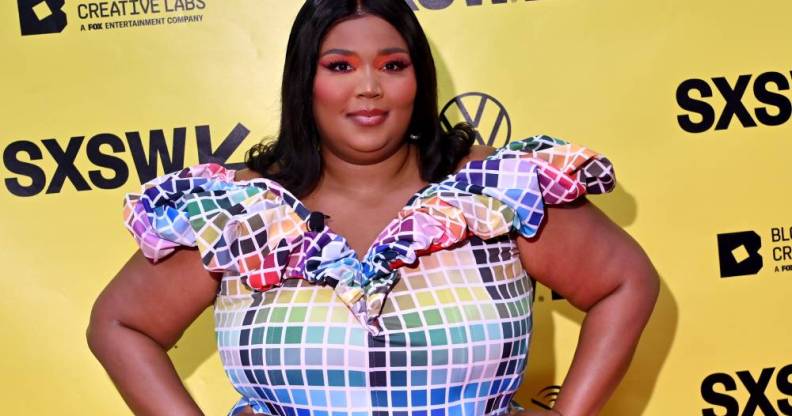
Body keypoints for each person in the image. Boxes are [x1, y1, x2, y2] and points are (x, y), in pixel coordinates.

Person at [87, 1, 659, 415]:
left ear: (419, 80)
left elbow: (624, 282)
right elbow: (120, 325)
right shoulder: (239, 210)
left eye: (392, 65)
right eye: (340, 66)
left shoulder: (494, 189)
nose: (369, 88)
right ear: (304, 81)